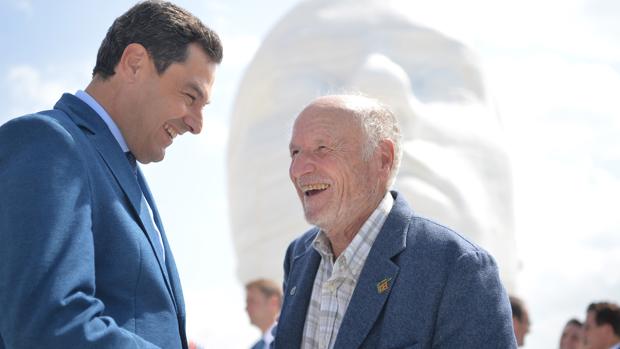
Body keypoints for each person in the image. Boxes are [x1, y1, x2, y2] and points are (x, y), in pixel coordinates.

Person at [0, 1, 222, 348]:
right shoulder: (50, 144)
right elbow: (47, 325)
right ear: (134, 64)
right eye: (190, 96)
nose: (197, 124)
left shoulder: (121, 168)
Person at [274, 94, 516, 348]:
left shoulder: (456, 266)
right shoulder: (298, 257)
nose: (298, 169)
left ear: (383, 159)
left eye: (322, 149)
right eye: (295, 152)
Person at [245, 279, 282, 349]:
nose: (246, 308)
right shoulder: (255, 347)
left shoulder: (290, 338)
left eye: (252, 301)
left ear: (273, 302)